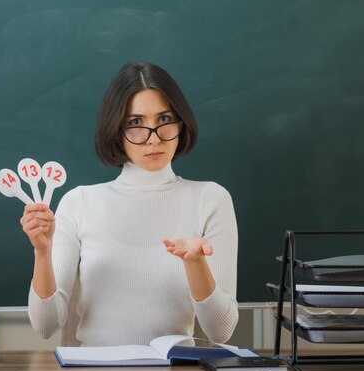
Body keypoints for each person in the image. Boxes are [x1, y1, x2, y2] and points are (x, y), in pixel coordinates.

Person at [20, 62, 238, 347]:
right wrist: (42, 252)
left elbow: (220, 331)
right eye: (136, 123)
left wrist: (196, 263)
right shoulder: (79, 203)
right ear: (116, 130)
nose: (153, 138)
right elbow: (45, 325)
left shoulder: (210, 199)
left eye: (164, 120)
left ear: (181, 123)